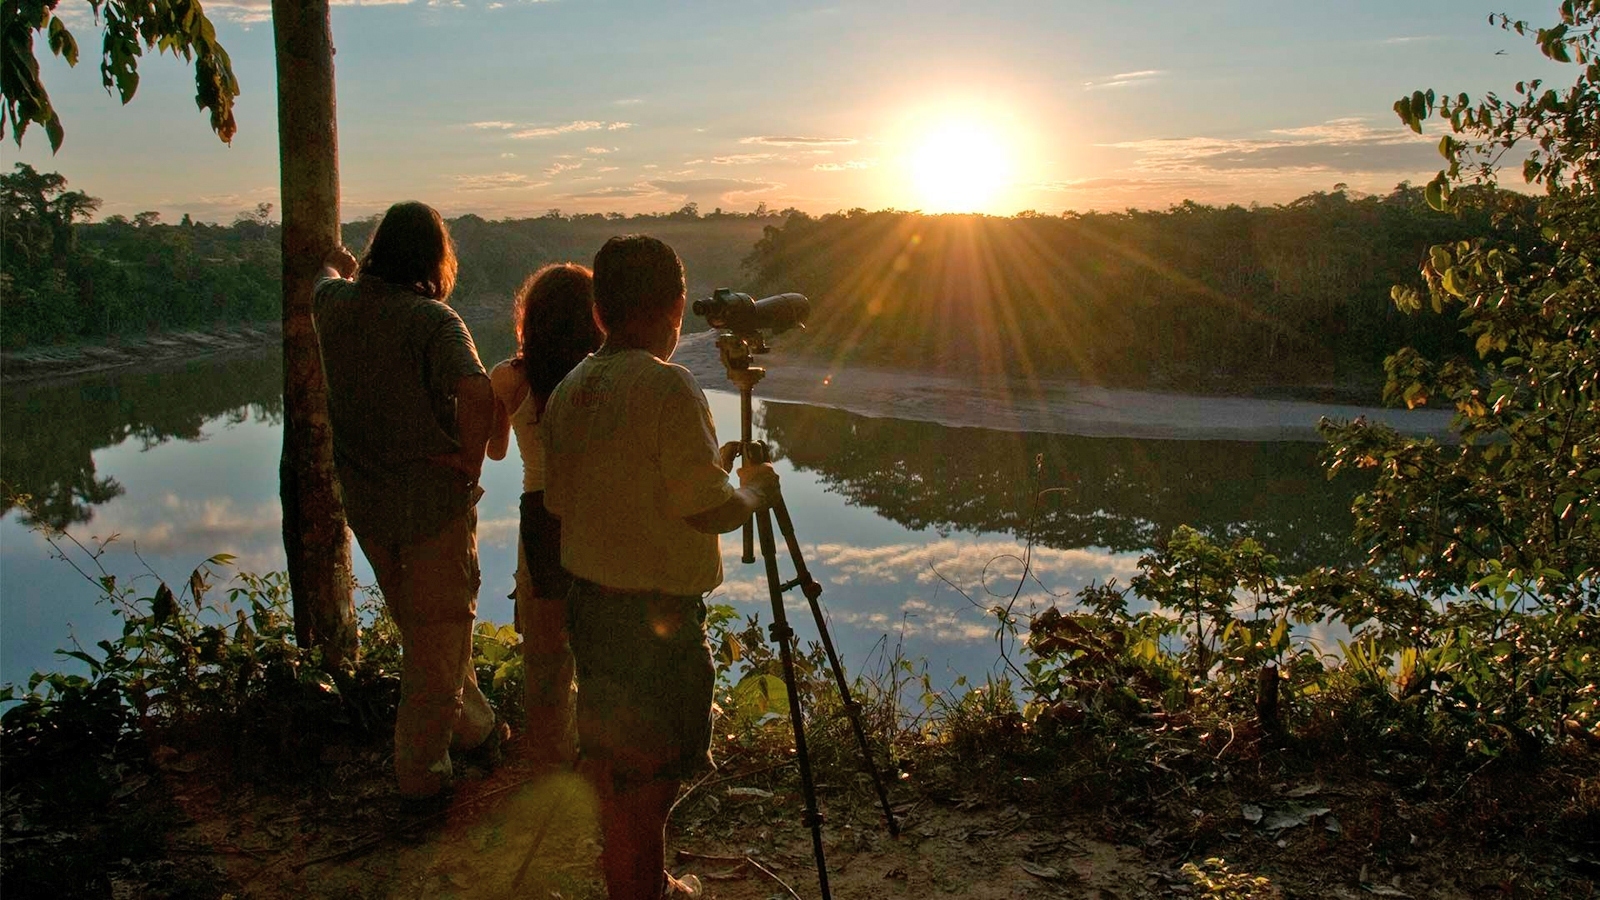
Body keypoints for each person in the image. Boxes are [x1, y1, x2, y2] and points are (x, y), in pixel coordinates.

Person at [541, 234, 779, 899]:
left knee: (621, 771)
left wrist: (713, 472)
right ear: (675, 309)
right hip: (656, 625)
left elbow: (574, 500)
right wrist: (754, 493)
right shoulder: (669, 384)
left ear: (600, 312)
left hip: (592, 610)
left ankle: (641, 879)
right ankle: (641, 888)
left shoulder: (570, 388)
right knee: (650, 783)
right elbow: (707, 511)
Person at [312, 200, 503, 800]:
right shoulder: (433, 320)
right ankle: (422, 779)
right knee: (438, 636)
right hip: (430, 507)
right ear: (433, 259)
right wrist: (468, 463)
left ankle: (475, 730)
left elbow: (323, 279)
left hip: (368, 506)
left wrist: (337, 263)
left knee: (425, 633)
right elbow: (477, 391)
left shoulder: (333, 305)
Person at [485, 263, 603, 765]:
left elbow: (494, 451)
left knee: (546, 657)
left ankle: (551, 764)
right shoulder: (602, 377)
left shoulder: (509, 378)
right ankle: (600, 762)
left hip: (541, 515)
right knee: (600, 648)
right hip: (599, 511)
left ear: (530, 320)